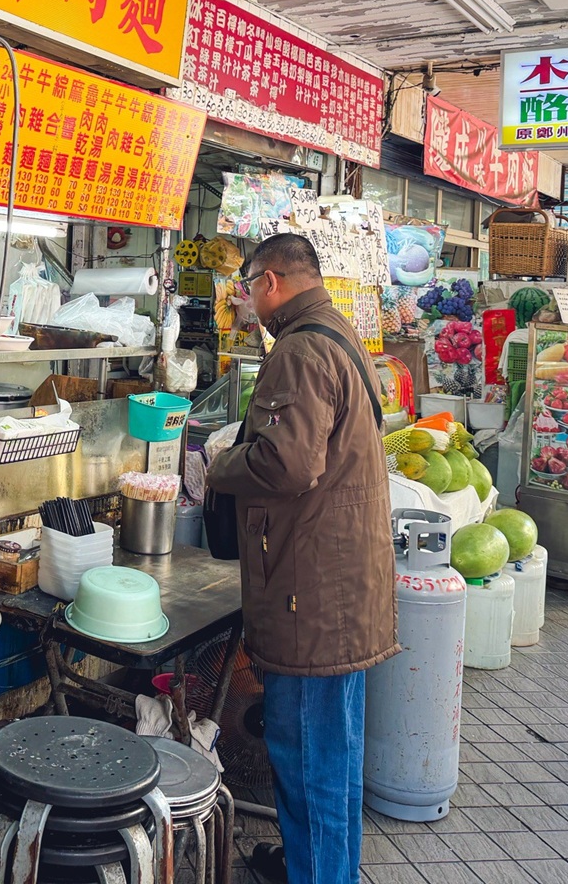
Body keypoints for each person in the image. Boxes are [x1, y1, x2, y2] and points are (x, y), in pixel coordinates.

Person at [205, 234, 398, 884]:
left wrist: (218, 463)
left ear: (270, 282)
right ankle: (321, 869)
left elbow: (287, 464)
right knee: (334, 760)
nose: (247, 300)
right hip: (341, 589)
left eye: (248, 286)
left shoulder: (298, 349)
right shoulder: (336, 331)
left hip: (312, 598)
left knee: (312, 758)